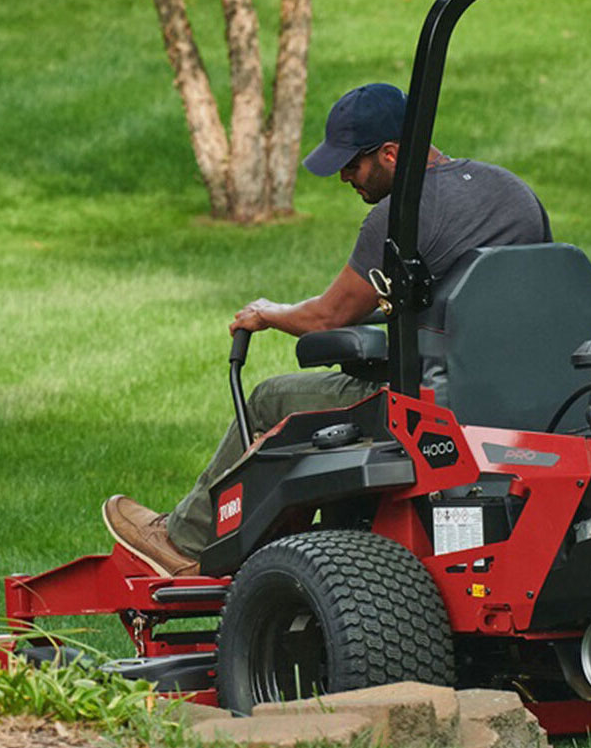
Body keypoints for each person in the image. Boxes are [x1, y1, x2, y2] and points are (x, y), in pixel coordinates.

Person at [102, 83, 552, 576]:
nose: (344, 177)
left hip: (427, 406)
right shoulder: (513, 192)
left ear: (390, 153)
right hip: (529, 397)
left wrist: (269, 312)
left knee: (271, 399)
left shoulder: (399, 215)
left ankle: (185, 542)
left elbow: (328, 318)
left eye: (352, 164)